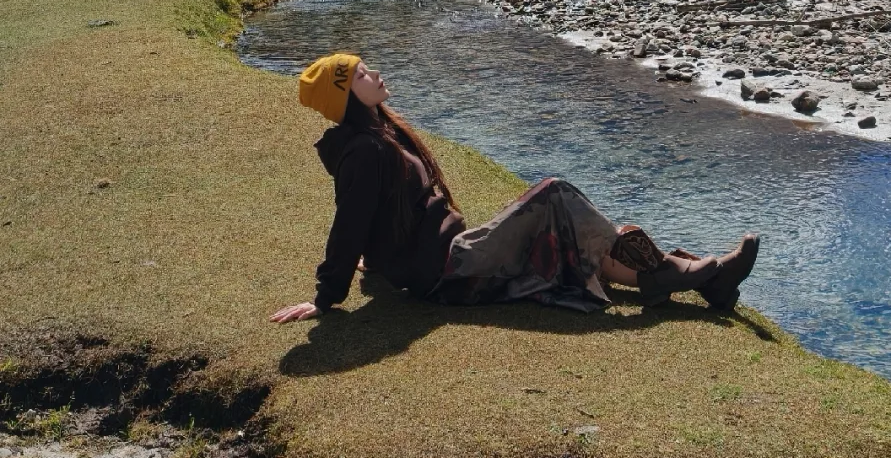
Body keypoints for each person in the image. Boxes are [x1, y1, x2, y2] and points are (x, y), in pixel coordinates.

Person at [271, 52, 760, 324]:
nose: (375, 73)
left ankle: (707, 280)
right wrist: (326, 296)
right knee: (554, 193)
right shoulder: (366, 150)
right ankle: (687, 275)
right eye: (361, 74)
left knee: (576, 222)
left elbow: (385, 212)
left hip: (453, 252)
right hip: (447, 267)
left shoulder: (381, 134)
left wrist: (375, 261)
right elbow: (351, 218)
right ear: (345, 96)